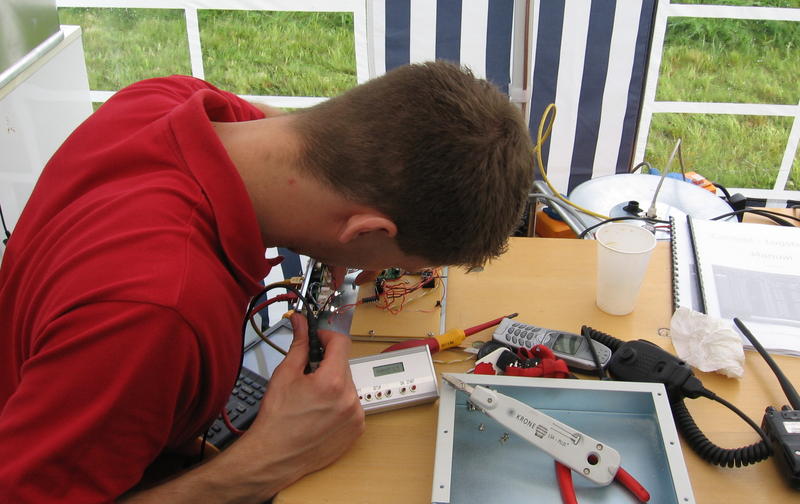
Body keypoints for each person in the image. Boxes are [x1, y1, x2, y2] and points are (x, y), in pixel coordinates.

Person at [0, 61, 535, 502]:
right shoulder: (160, 313)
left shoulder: (164, 99)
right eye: (404, 265)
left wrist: (337, 241)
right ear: (364, 230)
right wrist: (268, 460)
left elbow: (291, 128)